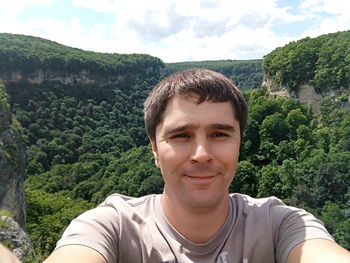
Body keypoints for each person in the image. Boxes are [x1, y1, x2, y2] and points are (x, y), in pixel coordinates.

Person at [44, 68, 350, 263]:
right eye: (181, 135)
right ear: (154, 149)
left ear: (239, 143)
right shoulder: (114, 227)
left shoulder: (279, 225)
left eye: (219, 134)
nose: (202, 153)